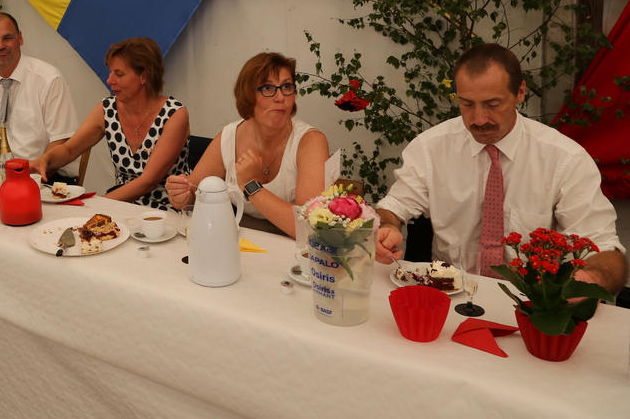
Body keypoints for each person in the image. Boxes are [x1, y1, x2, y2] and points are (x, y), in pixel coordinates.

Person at [375, 43, 627, 295]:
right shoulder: (431, 147)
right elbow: (396, 205)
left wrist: (591, 278)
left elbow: (603, 247)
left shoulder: (564, 159)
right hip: (449, 291)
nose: (479, 119)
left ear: (520, 92)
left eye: (493, 104)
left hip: (530, 298)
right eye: (467, 104)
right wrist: (387, 226)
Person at [165, 52, 329, 236]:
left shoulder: (311, 142)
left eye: (286, 86)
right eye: (268, 88)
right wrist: (179, 194)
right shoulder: (229, 136)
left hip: (293, 245)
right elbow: (193, 196)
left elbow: (309, 227)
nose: (280, 97)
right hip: (241, 238)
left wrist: (251, 186)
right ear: (248, 95)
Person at [30, 37, 189, 209]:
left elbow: (148, 182)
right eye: (110, 72)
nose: (109, 80)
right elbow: (69, 150)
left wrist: (95, 205)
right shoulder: (107, 109)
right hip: (121, 205)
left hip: (167, 207)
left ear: (144, 76)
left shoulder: (174, 114)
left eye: (119, 74)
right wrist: (45, 159)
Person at [0, 13, 79, 177]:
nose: (0, 46)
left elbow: (62, 141)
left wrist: (27, 174)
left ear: (20, 38)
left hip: (44, 178)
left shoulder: (49, 80)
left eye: (7, 38)